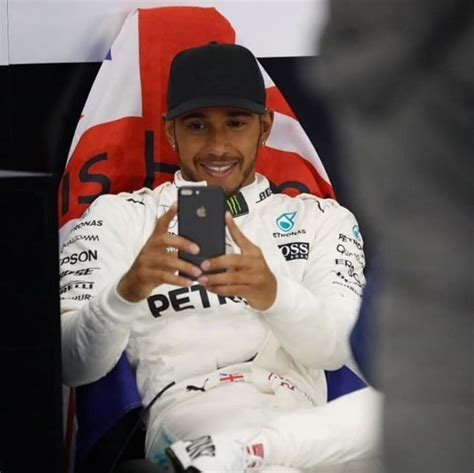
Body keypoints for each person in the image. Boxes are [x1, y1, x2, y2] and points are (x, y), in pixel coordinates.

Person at [60, 43, 368, 472]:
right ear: (172, 133)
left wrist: (274, 295)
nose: (218, 147)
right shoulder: (122, 217)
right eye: (198, 126)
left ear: (264, 127)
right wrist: (126, 292)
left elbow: (335, 350)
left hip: (302, 421)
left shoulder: (320, 219)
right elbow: (71, 364)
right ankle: (237, 455)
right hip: (192, 413)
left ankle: (241, 455)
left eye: (236, 124)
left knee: (410, 417)